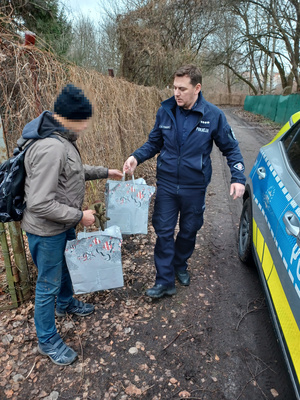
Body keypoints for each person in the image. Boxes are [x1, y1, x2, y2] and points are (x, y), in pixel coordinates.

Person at [19, 84, 123, 366]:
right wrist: (80, 216)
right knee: (47, 285)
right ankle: (47, 341)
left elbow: (73, 173)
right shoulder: (51, 147)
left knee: (65, 268)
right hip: (47, 230)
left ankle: (66, 305)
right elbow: (39, 203)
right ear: (71, 118)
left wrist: (105, 172)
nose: (87, 125)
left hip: (62, 225)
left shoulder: (62, 140)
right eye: (84, 119)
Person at [123, 65, 246, 299]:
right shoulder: (166, 111)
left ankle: (180, 264)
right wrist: (135, 157)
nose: (176, 93)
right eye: (174, 88)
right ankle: (164, 280)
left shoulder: (213, 116)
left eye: (182, 89)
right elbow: (153, 143)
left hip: (194, 187)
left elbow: (231, 148)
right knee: (164, 232)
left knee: (189, 230)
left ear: (197, 88)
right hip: (167, 184)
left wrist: (238, 178)